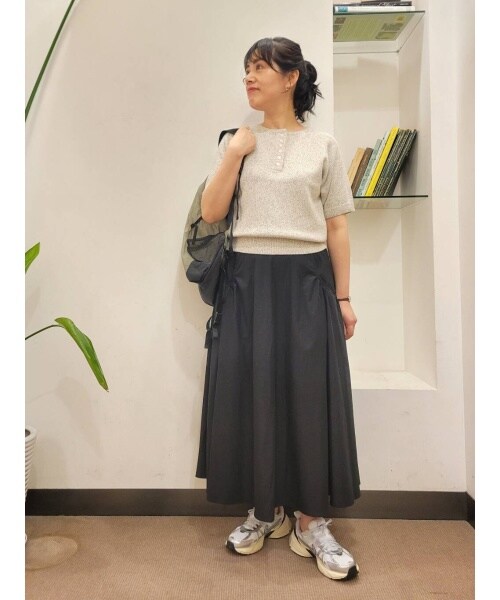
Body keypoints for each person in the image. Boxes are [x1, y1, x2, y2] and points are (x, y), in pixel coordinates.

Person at [194, 36, 361, 581]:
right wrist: (234, 153)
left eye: (260, 67)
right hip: (247, 280)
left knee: (309, 396)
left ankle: (311, 522)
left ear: (290, 78)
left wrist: (343, 297)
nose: (249, 76)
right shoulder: (237, 142)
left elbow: (337, 225)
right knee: (253, 392)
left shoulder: (324, 146)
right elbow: (212, 212)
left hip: (308, 279)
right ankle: (264, 511)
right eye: (247, 67)